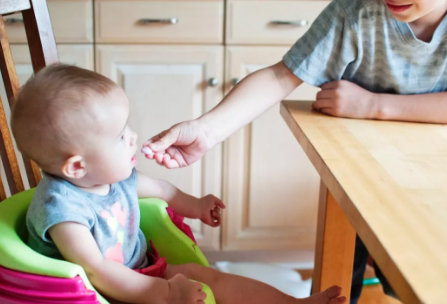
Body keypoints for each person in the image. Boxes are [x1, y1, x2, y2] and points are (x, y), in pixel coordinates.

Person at [142, 0, 447, 302]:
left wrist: (373, 105)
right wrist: (206, 130)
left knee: (407, 279)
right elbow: (280, 76)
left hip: (429, 181)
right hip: (358, 175)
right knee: (344, 276)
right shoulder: (354, 12)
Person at [11, 63, 345, 304]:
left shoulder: (113, 178)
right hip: (95, 294)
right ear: (77, 166)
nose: (133, 138)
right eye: (120, 136)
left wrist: (197, 206)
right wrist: (168, 294)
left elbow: (163, 190)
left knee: (213, 279)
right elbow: (96, 272)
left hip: (142, 271)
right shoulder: (64, 211)